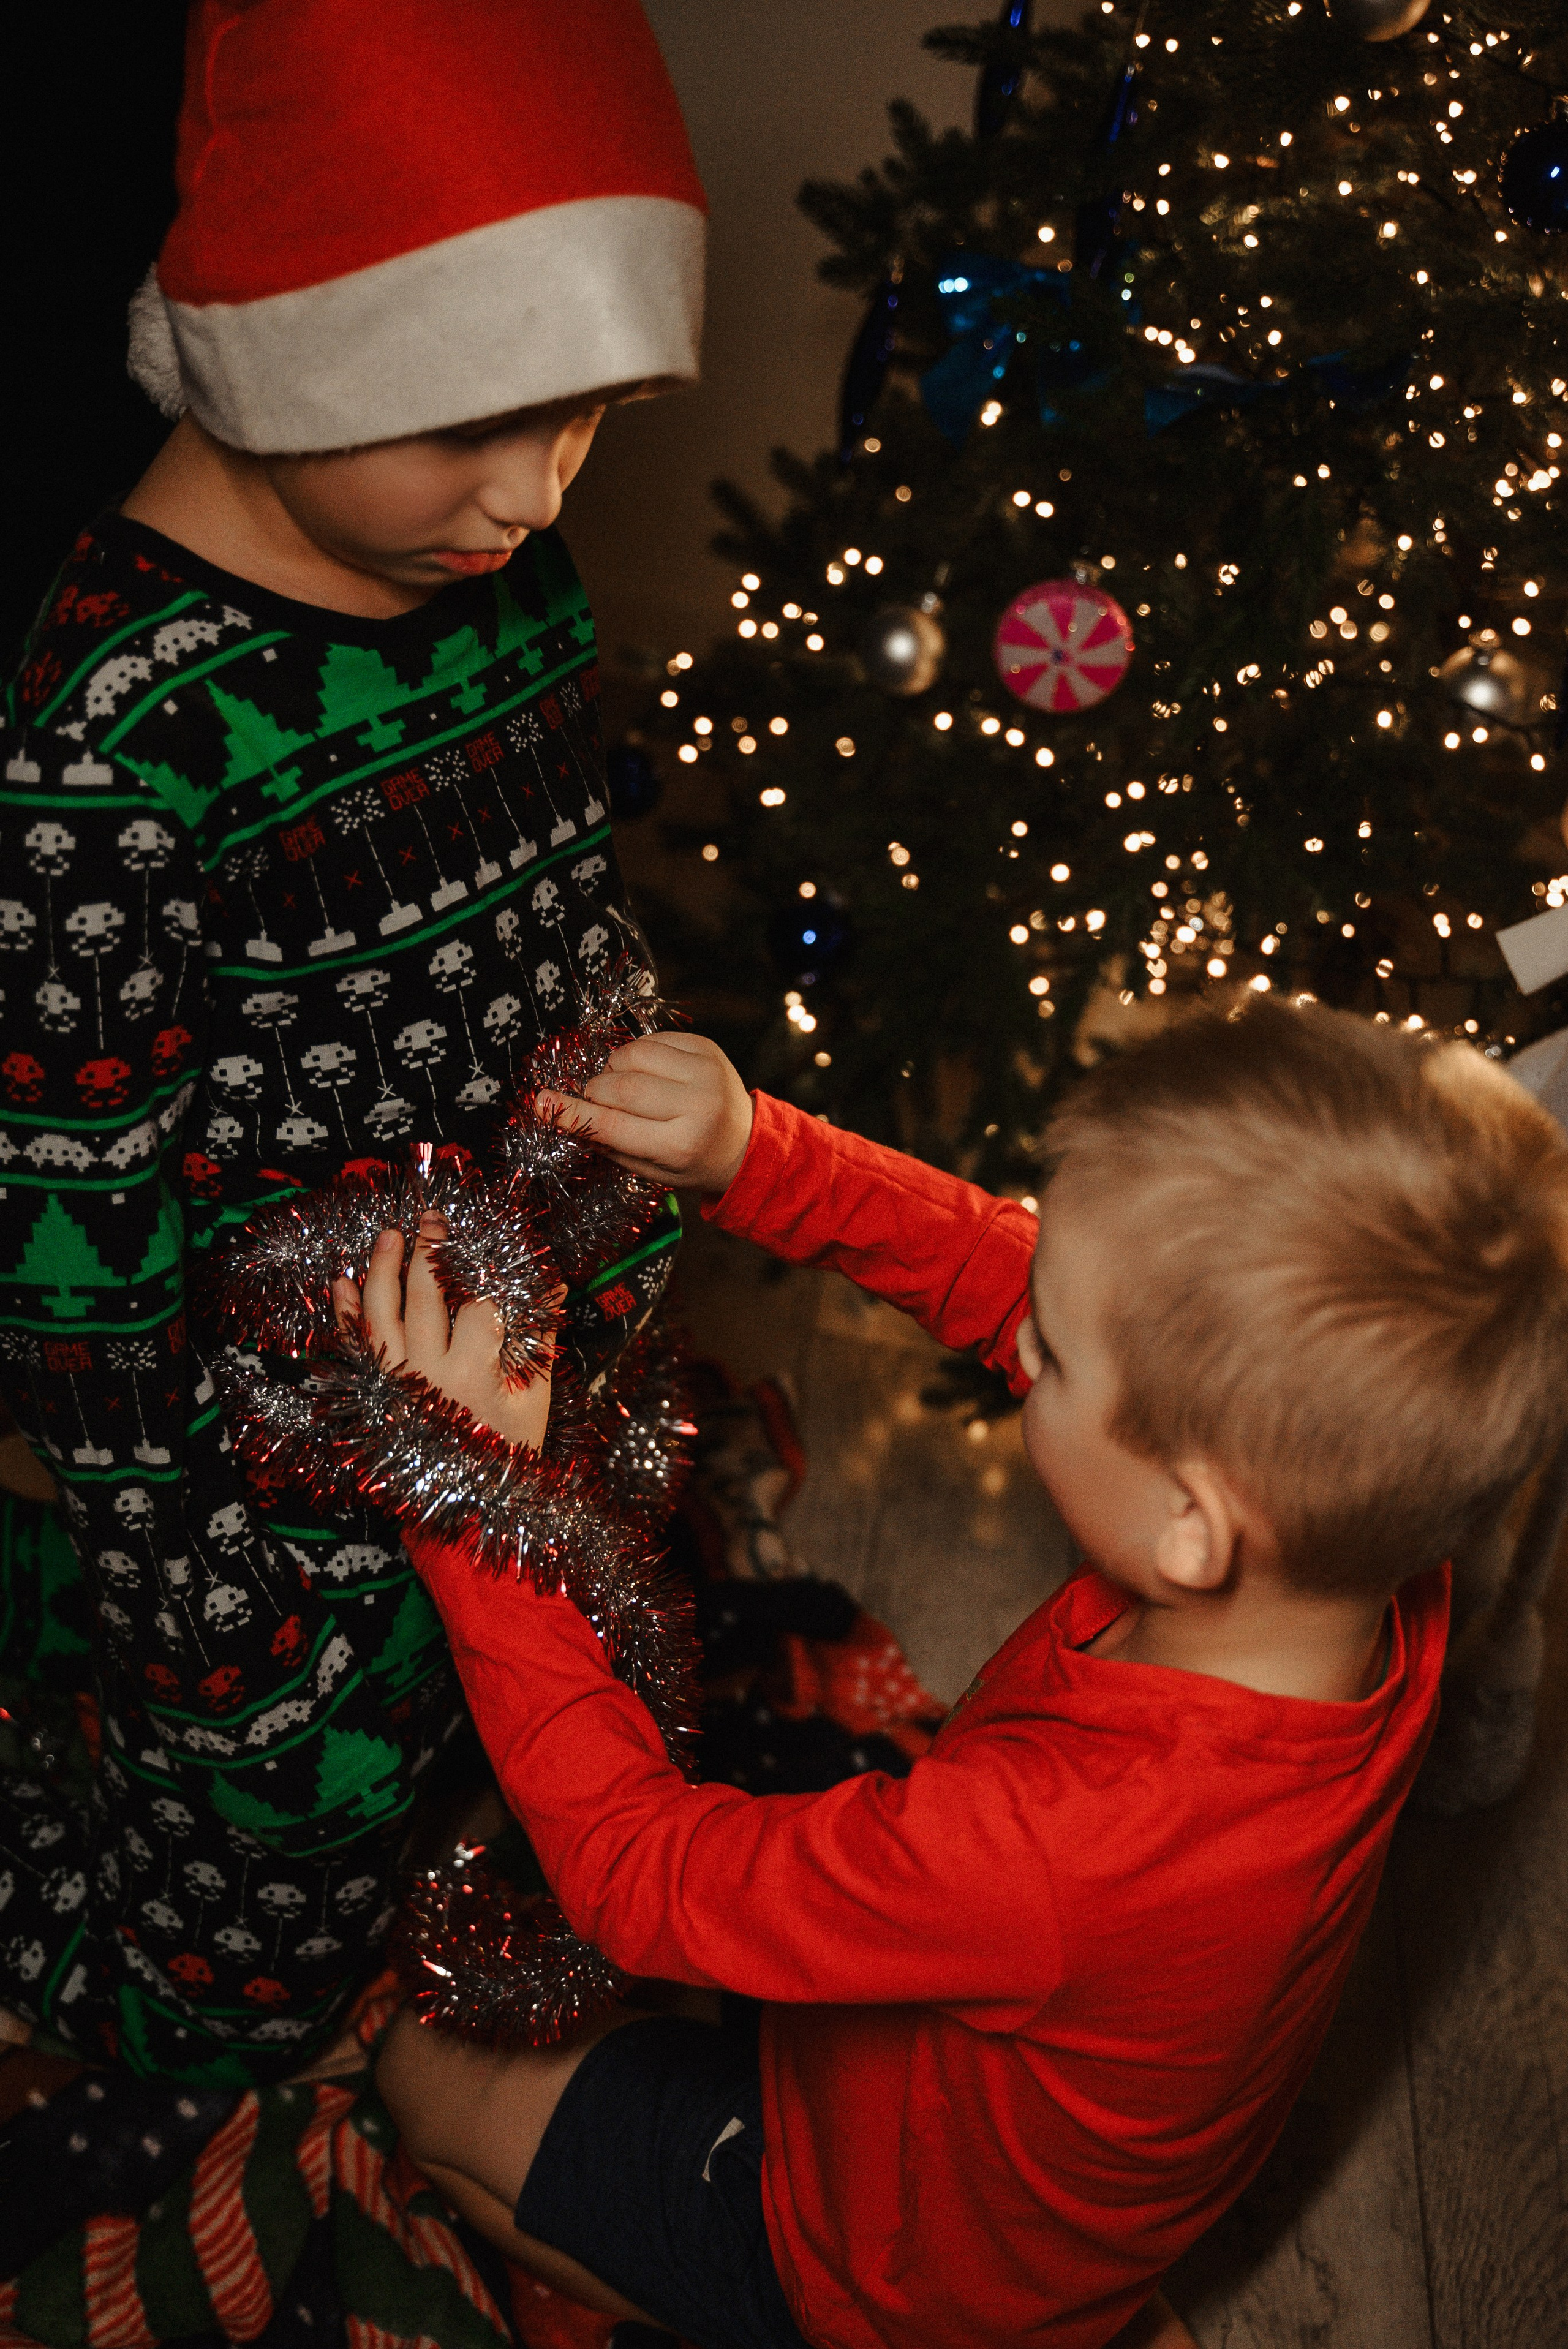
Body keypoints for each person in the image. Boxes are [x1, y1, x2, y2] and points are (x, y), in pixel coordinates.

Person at [353, 997, 1568, 2349]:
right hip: (1062, 2209)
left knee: (426, 2087)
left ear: (1190, 1521)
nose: (1016, 1337)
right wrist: (762, 1154)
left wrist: (479, 1499)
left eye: (1047, 1357)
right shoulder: (1379, 1563)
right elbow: (1019, 1280)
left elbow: (644, 1877)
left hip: (874, 2261)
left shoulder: (1052, 1849)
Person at [0, 0, 705, 2083]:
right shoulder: (110, 752)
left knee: (536, 1774)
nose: (530, 491)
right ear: (285, 345)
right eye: (466, 421)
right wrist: (209, 1606)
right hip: (269, 1503)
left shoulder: (512, 571)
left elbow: (566, 898)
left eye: (582, 418)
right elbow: (70, 1240)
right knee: (258, 1921)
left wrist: (629, 1123)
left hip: (531, 1371)